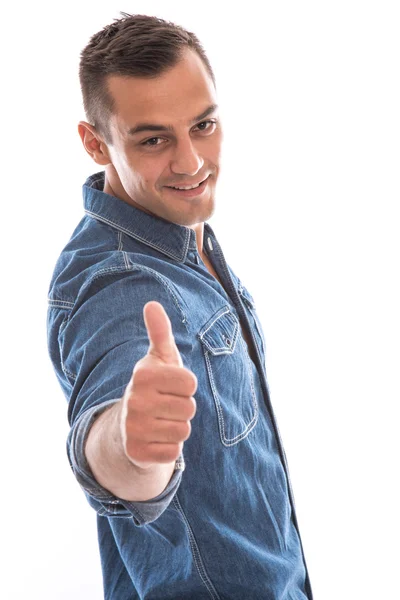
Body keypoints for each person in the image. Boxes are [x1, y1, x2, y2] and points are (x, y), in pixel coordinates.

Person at [47, 12, 313, 600]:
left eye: (204, 124)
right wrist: (129, 445)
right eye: (153, 139)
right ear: (96, 144)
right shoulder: (121, 284)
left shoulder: (180, 235)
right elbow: (109, 439)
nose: (191, 162)